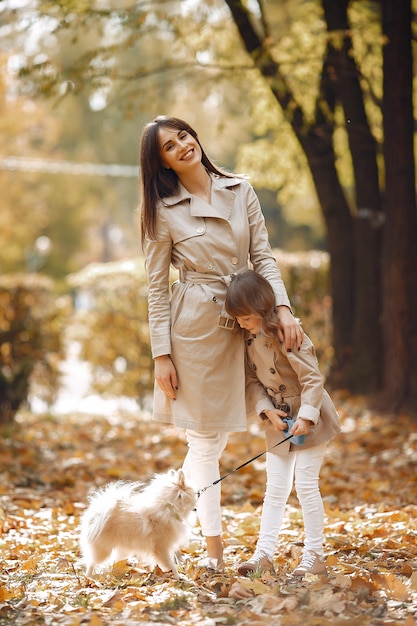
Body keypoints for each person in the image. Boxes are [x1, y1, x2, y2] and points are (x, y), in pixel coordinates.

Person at [139, 115, 303, 571]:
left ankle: (269, 547)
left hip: (255, 322)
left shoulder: (240, 189)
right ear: (163, 164)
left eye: (183, 136)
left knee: (280, 425)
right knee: (207, 444)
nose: (182, 147)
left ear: (195, 137)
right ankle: (213, 555)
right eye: (169, 147)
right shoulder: (163, 210)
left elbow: (263, 256)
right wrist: (161, 355)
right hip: (198, 331)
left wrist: (283, 311)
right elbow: (156, 289)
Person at [225, 269, 341, 577]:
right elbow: (251, 381)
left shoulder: (287, 333)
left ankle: (315, 555)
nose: (240, 324)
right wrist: (266, 410)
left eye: (245, 318)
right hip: (278, 422)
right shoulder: (248, 338)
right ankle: (264, 553)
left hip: (310, 419)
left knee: (305, 485)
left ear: (262, 309)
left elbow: (313, 378)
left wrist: (306, 417)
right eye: (237, 319)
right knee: (274, 489)